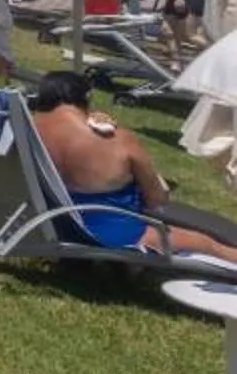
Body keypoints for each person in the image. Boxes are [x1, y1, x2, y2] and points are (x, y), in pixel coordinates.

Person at [25, 72, 237, 264]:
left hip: (52, 224)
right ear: (87, 97)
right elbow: (157, 199)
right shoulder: (117, 139)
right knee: (208, 244)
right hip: (111, 235)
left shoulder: (24, 129)